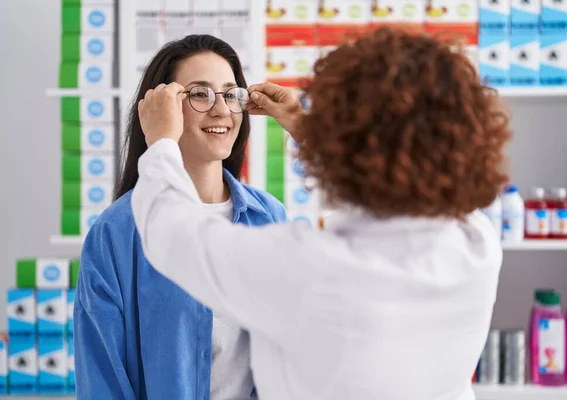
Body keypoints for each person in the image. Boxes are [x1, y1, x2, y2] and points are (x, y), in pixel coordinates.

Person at [132, 28, 511, 400]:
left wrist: (162, 141)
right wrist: (307, 126)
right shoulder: (476, 243)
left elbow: (171, 232)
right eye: (199, 93)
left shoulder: (312, 268)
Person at [73, 34, 287, 400]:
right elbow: (102, 375)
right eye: (200, 94)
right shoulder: (119, 231)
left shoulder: (269, 217)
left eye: (231, 94)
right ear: (162, 109)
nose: (221, 110)